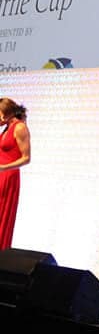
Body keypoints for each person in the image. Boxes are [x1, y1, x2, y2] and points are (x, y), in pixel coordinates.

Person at [0, 98, 31, 250]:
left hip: (7, 176)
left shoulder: (19, 127)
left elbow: (26, 158)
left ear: (5, 114)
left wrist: (4, 167)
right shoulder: (7, 127)